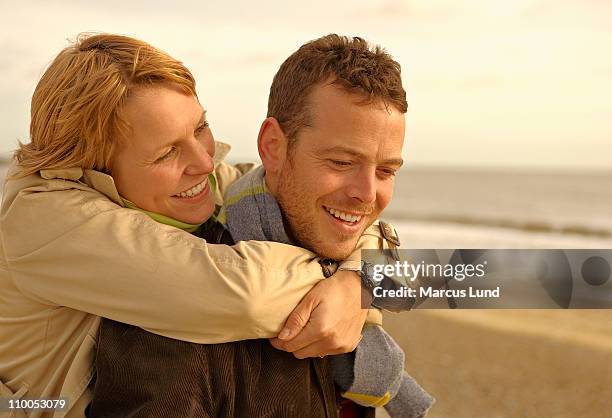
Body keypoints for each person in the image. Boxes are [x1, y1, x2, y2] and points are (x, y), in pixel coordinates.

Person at [0, 34, 383, 418]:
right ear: (92, 167)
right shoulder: (42, 217)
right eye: (168, 152)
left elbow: (310, 207)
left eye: (200, 128)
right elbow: (245, 295)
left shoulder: (199, 181)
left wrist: (354, 281)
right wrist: (354, 285)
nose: (204, 162)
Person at [90, 35, 433, 418]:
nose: (367, 195)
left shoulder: (341, 264)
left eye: (386, 171)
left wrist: (355, 280)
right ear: (272, 147)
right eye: (340, 162)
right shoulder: (176, 315)